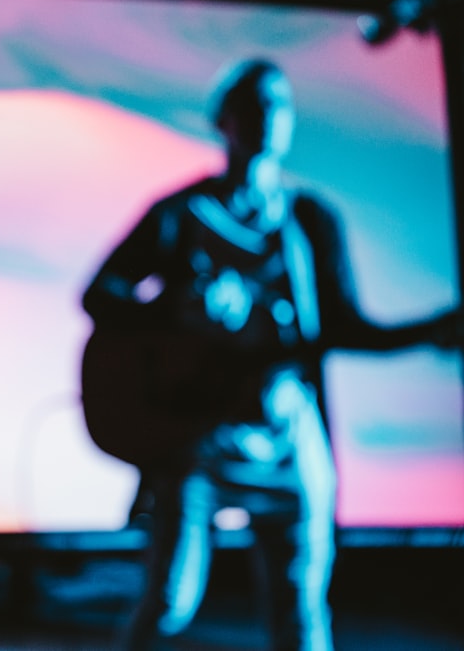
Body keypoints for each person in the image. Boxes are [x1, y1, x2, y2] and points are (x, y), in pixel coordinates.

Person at [81, 59, 459, 650]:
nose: (269, 118)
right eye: (255, 106)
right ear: (224, 121)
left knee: (302, 614)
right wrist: (181, 310)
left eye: (279, 106)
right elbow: (101, 294)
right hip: (200, 440)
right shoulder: (182, 217)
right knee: (170, 603)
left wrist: (428, 332)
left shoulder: (310, 220)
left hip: (289, 436)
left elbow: (342, 328)